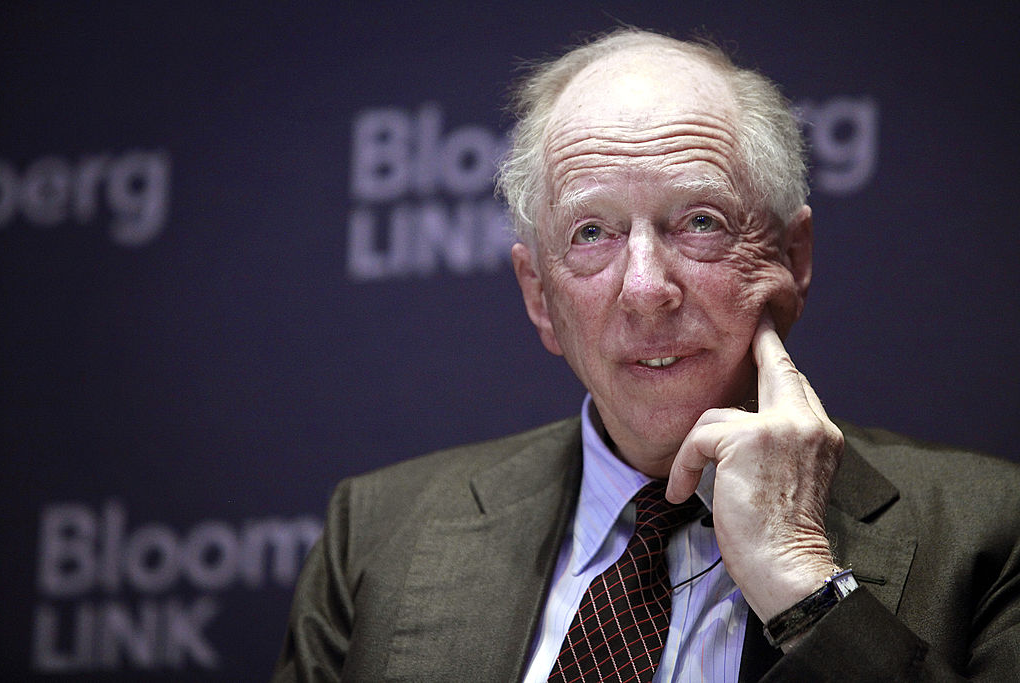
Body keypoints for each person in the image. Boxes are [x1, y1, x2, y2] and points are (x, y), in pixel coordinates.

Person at [273, 29, 1020, 681]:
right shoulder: (374, 535)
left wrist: (807, 590)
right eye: (591, 233)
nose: (645, 289)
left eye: (699, 221)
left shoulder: (990, 529)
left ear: (791, 256)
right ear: (539, 295)